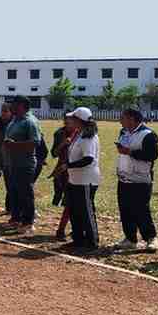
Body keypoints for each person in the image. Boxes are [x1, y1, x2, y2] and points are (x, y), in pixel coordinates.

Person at [115, 108, 158, 252]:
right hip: (124, 178)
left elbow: (152, 155)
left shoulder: (148, 134)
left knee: (141, 210)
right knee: (125, 210)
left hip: (140, 179)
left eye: (123, 118)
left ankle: (151, 238)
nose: (120, 121)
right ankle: (130, 239)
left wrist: (130, 152)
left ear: (132, 119)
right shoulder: (123, 132)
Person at [61, 107, 101, 251]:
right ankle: (78, 239)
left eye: (73, 118)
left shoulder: (88, 137)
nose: (70, 120)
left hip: (86, 179)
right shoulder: (79, 134)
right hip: (75, 179)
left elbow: (88, 159)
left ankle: (92, 242)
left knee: (86, 211)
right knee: (74, 210)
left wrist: (68, 166)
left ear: (79, 120)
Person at [2, 96, 42, 233]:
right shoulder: (15, 120)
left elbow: (35, 142)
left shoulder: (30, 122)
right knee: (14, 192)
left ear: (21, 106)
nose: (10, 107)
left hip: (25, 164)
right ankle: (16, 219)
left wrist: (14, 145)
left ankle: (28, 222)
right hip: (12, 163)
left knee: (25, 194)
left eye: (13, 104)